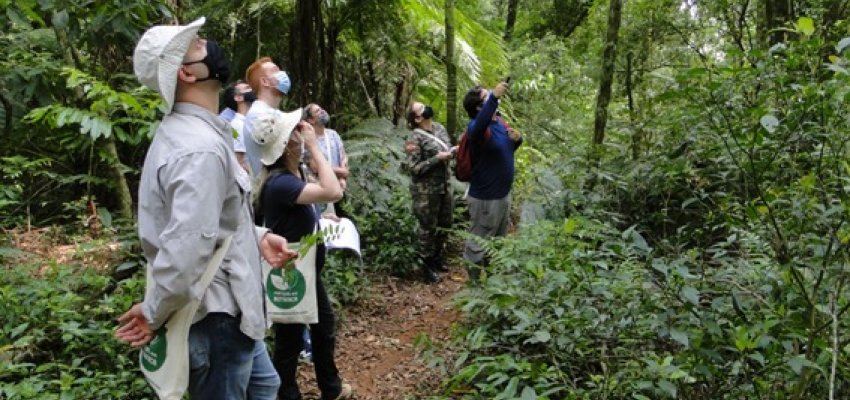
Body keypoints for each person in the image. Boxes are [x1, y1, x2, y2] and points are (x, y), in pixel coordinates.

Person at [115, 17, 298, 400]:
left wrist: (259, 237)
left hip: (233, 313)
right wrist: (153, 310)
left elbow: (209, 220)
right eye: (197, 44)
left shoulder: (202, 134)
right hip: (217, 319)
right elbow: (186, 247)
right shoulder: (197, 148)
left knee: (268, 387)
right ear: (187, 72)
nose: (207, 42)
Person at [253, 110, 353, 400]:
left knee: (323, 329)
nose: (302, 131)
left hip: (305, 271)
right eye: (295, 131)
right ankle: (286, 394)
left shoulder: (294, 173)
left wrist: (320, 219)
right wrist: (314, 146)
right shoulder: (280, 182)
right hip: (289, 272)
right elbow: (333, 191)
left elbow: (314, 203)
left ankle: (330, 388)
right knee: (289, 340)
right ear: (287, 145)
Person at [460, 81, 522, 280]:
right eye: (486, 97)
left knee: (497, 244)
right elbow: (480, 124)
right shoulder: (476, 129)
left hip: (503, 196)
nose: (494, 98)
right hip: (485, 199)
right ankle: (475, 287)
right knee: (478, 245)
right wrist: (494, 97)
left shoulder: (500, 123)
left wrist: (517, 140)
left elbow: (504, 151)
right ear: (479, 107)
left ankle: (493, 285)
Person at [403, 102, 456, 283]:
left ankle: (436, 258)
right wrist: (435, 159)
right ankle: (425, 266)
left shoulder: (440, 129)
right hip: (426, 192)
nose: (427, 107)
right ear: (417, 118)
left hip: (445, 186)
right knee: (427, 228)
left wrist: (452, 153)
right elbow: (414, 168)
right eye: (421, 107)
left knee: (445, 223)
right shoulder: (414, 139)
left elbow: (448, 150)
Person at [242, 57, 293, 180]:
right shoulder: (259, 116)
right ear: (265, 82)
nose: (282, 74)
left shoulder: (269, 112)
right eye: (275, 70)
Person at [302, 103, 351, 220]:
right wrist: (343, 172)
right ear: (311, 120)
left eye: (322, 109)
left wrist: (343, 179)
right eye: (318, 111)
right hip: (320, 189)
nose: (323, 112)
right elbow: (315, 167)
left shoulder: (333, 135)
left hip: (340, 187)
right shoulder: (308, 140)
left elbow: (343, 157)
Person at [222, 79, 257, 173]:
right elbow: (238, 163)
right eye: (247, 88)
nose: (252, 90)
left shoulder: (251, 122)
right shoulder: (236, 126)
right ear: (238, 98)